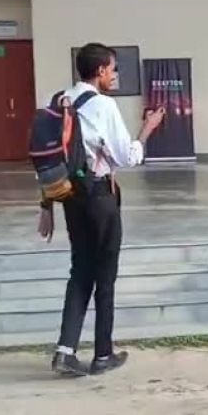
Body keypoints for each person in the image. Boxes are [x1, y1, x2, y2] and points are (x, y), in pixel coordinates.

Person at [39, 43, 164, 377]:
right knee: (105, 275)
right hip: (100, 196)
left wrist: (46, 205)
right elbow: (127, 157)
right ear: (100, 71)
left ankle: (65, 352)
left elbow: (51, 158)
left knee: (80, 270)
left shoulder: (59, 100)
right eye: (113, 69)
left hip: (69, 196)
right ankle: (103, 354)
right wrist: (148, 128)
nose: (115, 75)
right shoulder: (103, 106)